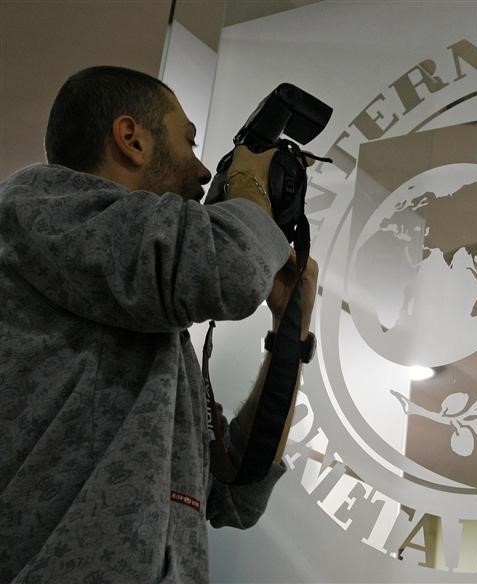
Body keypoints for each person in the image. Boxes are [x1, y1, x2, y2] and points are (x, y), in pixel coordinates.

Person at [0, 66, 318, 583]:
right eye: (189, 142)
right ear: (132, 139)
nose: (202, 172)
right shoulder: (38, 207)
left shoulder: (136, 311)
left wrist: (291, 324)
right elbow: (230, 268)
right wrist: (248, 183)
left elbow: (235, 495)